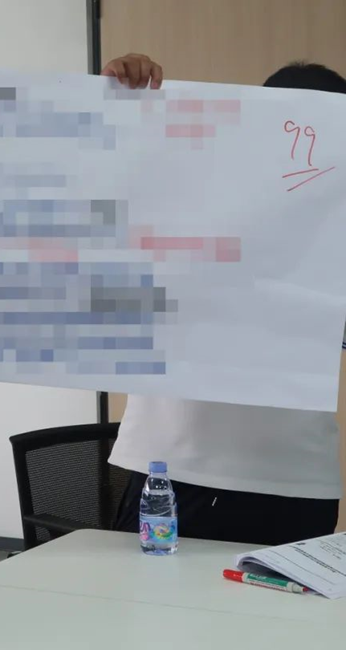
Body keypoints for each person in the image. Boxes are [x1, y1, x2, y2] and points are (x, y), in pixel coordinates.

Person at [110, 58, 346, 546]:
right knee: (143, 598)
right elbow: (100, 202)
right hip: (171, 467)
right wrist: (118, 102)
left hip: (295, 477)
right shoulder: (185, 180)